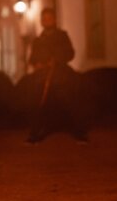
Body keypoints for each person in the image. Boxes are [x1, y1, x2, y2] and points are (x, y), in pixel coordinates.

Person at [26, 7, 87, 143]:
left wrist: (57, 59)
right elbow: (32, 59)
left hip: (61, 74)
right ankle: (35, 132)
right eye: (44, 19)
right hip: (42, 76)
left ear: (54, 20)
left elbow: (70, 53)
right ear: (42, 21)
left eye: (49, 18)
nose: (47, 21)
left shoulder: (62, 36)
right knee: (36, 99)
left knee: (69, 98)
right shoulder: (38, 40)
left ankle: (79, 131)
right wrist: (39, 64)